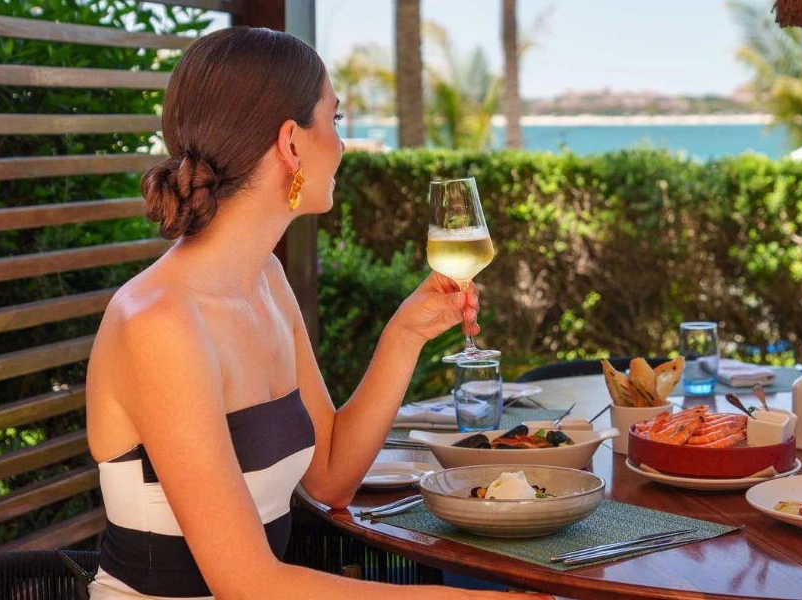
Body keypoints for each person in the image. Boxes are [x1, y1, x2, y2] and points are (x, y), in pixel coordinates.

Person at [84, 26, 548, 600]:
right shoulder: (159, 324)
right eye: (335, 119)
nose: (344, 145)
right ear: (292, 143)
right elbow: (248, 582)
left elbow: (331, 476)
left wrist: (405, 334)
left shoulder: (266, 282)